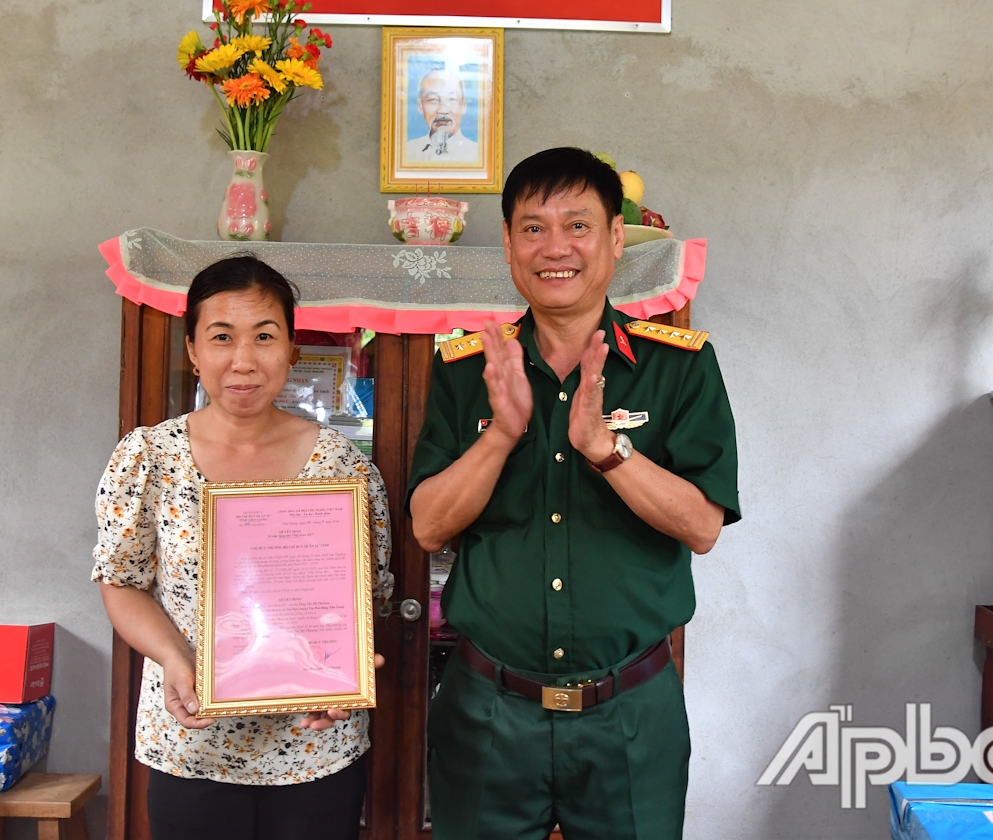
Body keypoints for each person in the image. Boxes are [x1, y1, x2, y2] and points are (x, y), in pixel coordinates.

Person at [408, 147, 741, 839]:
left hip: (631, 711)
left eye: (577, 225)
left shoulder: (678, 366)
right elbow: (429, 527)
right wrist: (500, 435)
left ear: (616, 239)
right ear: (506, 244)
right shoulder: (472, 368)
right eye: (532, 228)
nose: (554, 248)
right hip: (487, 709)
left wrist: (608, 451)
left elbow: (703, 526)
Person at [93, 255, 394, 840]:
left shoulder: (343, 467)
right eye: (222, 337)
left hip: (313, 749)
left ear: (291, 349)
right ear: (193, 351)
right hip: (192, 741)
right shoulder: (150, 458)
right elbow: (121, 582)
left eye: (264, 337)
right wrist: (176, 660)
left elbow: (367, 600)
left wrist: (340, 675)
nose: (244, 361)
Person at [403, 70, 479, 164]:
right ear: (420, 106)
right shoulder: (406, 152)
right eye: (433, 99)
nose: (443, 110)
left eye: (452, 99)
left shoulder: (478, 155)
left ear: (463, 106)